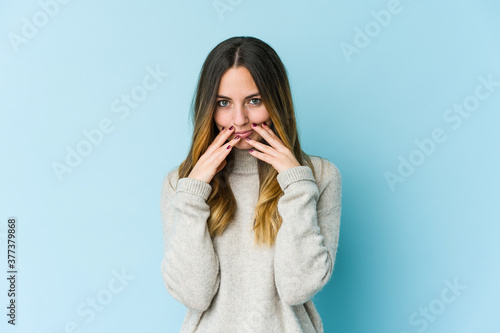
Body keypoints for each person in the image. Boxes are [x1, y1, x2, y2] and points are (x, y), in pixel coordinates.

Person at [160, 36, 342, 333]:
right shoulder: (180, 184)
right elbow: (194, 294)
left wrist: (296, 186)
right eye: (223, 103)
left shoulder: (319, 177)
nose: (240, 119)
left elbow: (297, 287)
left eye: (254, 101)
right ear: (208, 106)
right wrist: (193, 194)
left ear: (277, 100)